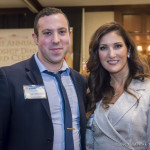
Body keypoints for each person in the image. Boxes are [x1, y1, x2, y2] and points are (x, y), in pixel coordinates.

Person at [0, 7, 87, 150]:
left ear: (69, 35)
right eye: (47, 33)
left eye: (61, 32)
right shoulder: (9, 78)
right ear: (35, 38)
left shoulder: (80, 81)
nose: (56, 40)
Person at [86, 22, 150, 150]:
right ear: (97, 54)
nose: (111, 54)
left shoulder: (147, 89)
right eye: (103, 48)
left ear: (129, 50)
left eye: (117, 46)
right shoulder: (94, 90)